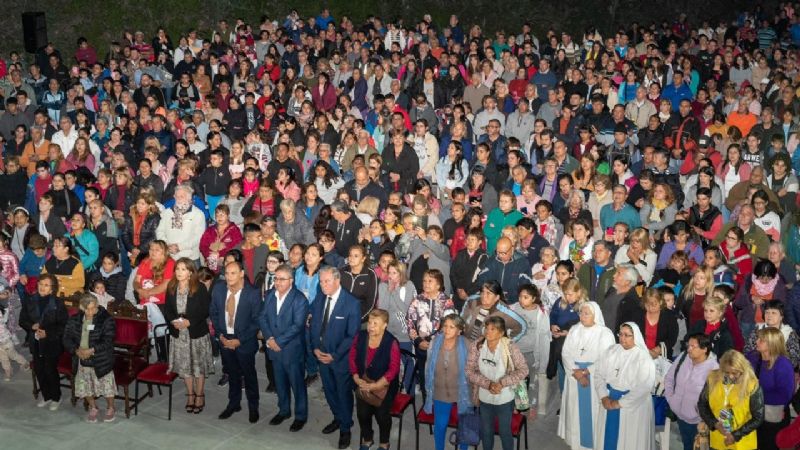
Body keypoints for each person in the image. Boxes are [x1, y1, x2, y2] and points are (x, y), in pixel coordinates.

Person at [309, 266, 361, 449]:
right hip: (321, 355)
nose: (323, 285)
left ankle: (346, 428)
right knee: (329, 391)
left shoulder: (351, 303)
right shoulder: (320, 298)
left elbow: (352, 336)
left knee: (343, 393)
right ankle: (338, 418)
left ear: (337, 281)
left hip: (340, 359)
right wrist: (315, 347)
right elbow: (315, 325)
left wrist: (334, 355)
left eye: (327, 281)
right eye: (321, 282)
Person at [210, 261, 264, 424]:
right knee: (232, 373)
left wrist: (239, 340)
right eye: (226, 273)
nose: (229, 277)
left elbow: (256, 321)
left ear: (241, 273)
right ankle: (234, 404)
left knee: (249, 375)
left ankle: (253, 407)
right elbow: (213, 312)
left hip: (244, 342)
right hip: (225, 339)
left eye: (233, 273)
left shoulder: (252, 293)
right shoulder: (219, 289)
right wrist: (221, 335)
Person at [557, 301, 616, 450]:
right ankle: (576, 443)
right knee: (575, 411)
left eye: (586, 313)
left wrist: (586, 371)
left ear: (595, 315)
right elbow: (566, 352)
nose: (582, 316)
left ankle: (594, 444)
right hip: (574, 376)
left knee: (593, 414)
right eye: (581, 313)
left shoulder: (605, 333)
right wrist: (575, 371)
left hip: (593, 378)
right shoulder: (575, 330)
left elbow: (607, 358)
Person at [465, 315, 529, 450]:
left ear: (501, 333)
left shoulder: (510, 347)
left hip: (505, 397)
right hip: (484, 396)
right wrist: (488, 384)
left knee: (505, 432)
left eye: (492, 329)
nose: (487, 332)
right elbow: (469, 371)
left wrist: (501, 383)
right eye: (486, 328)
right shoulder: (477, 346)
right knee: (486, 431)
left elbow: (523, 370)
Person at [259, 264, 309, 432]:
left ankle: (301, 416)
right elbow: (263, 317)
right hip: (273, 347)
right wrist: (269, 338)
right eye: (275, 279)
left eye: (281, 279)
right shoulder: (270, 295)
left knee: (297, 384)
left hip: (291, 349)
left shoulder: (299, 299)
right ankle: (284, 410)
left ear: (291, 280)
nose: (277, 282)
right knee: (279, 382)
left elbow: (297, 326)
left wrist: (278, 341)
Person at [593, 322, 656, 450]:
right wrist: (603, 396)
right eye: (620, 334)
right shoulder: (611, 351)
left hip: (632, 407)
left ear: (635, 337)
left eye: (627, 335)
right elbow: (598, 374)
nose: (622, 338)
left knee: (628, 442)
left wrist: (620, 403)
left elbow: (644, 387)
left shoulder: (643, 358)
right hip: (609, 400)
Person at [164, 257, 213, 414]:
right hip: (179, 334)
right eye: (177, 269)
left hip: (196, 333)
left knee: (198, 366)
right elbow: (168, 310)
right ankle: (190, 395)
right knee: (185, 367)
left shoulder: (199, 288)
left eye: (183, 269)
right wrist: (173, 321)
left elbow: (205, 310)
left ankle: (200, 395)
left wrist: (189, 322)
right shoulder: (171, 286)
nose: (179, 272)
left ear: (191, 272)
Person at [350, 309, 401, 450]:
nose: (371, 326)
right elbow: (352, 357)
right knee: (362, 413)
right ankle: (367, 439)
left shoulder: (391, 342)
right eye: (370, 322)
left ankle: (384, 443)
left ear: (385, 325)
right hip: (363, 381)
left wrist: (377, 385)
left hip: (385, 385)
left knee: (382, 415)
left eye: (375, 323)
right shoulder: (360, 337)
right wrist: (355, 376)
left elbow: (394, 368)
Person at [62, 293, 117, 423]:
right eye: (87, 309)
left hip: (101, 358)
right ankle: (93, 407)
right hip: (81, 357)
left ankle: (110, 407)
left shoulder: (106, 319)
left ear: (97, 305)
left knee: (107, 386)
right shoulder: (75, 319)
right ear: (82, 308)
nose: (90, 311)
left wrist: (92, 350)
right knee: (84, 385)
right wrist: (76, 350)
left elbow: (108, 340)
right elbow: (66, 338)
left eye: (93, 308)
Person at [423, 313, 474, 450]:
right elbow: (428, 366)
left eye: (452, 327)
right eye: (445, 326)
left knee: (465, 424)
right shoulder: (435, 342)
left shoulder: (467, 344)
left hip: (462, 390)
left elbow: (473, 369)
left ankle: (463, 448)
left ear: (459, 331)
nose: (447, 329)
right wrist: (428, 386)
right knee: (440, 424)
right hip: (440, 390)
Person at [698, 350, 765, 450]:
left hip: (743, 443)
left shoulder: (752, 385)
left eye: (735, 373)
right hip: (717, 440)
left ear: (742, 369)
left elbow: (758, 417)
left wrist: (736, 435)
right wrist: (714, 424)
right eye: (726, 372)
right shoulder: (712, 379)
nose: (730, 376)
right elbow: (702, 404)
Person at [19, 274, 68, 410]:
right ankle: (46, 395)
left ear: (52, 289)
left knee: (50, 370)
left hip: (52, 342)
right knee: (39, 370)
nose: (42, 287)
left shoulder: (57, 303)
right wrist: (31, 326)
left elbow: (64, 325)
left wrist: (48, 333)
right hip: (35, 342)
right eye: (41, 284)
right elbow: (22, 320)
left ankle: (56, 397)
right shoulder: (30, 300)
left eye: (46, 285)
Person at [406, 268, 455, 402]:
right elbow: (410, 321)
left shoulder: (446, 302)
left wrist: (435, 343)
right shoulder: (417, 300)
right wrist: (417, 340)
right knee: (423, 374)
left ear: (438, 285)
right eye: (424, 281)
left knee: (439, 376)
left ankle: (440, 402)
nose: (426, 284)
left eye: (430, 281)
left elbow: (449, 327)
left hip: (439, 347)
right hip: (421, 345)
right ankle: (427, 401)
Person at [664, 333, 720, 450]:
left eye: (693, 347)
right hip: (680, 416)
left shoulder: (713, 369)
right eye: (688, 345)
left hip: (698, 422)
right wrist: (671, 399)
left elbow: (716, 400)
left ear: (704, 349)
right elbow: (669, 378)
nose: (689, 349)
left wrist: (704, 420)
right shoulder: (683, 357)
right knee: (686, 446)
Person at [746, 327, 794, 450]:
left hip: (772, 416)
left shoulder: (783, 364)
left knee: (768, 445)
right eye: (758, 339)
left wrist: (755, 396)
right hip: (752, 413)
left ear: (772, 344)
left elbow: (785, 396)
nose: (756, 342)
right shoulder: (752, 357)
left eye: (761, 340)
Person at [378, 260, 417, 394]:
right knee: (391, 363)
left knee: (407, 361)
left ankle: (410, 390)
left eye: (394, 273)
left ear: (401, 274)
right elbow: (383, 310)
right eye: (389, 272)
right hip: (389, 331)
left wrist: (393, 292)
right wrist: (388, 291)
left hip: (404, 332)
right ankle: (392, 391)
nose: (390, 276)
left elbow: (406, 309)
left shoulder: (409, 286)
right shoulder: (383, 286)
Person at [734, 259, 788, 339]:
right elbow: (738, 303)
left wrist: (764, 302)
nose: (765, 281)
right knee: (746, 346)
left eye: (769, 278)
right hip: (747, 322)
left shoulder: (779, 285)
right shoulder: (749, 281)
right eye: (762, 277)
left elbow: (782, 306)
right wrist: (750, 298)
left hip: (768, 324)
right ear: (756, 275)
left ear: (773, 276)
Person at [743, 300, 800, 368]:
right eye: (767, 312)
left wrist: (774, 364)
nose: (769, 315)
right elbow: (747, 351)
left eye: (773, 313)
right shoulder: (758, 330)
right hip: (758, 367)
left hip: (780, 369)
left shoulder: (789, 333)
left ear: (781, 317)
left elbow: (794, 358)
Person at [635, 288, 680, 359]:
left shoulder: (669, 316)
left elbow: (672, 339)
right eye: (647, 305)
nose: (650, 308)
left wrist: (658, 349)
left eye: (654, 304)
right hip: (640, 354)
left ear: (661, 302)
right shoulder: (638, 314)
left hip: (661, 357)